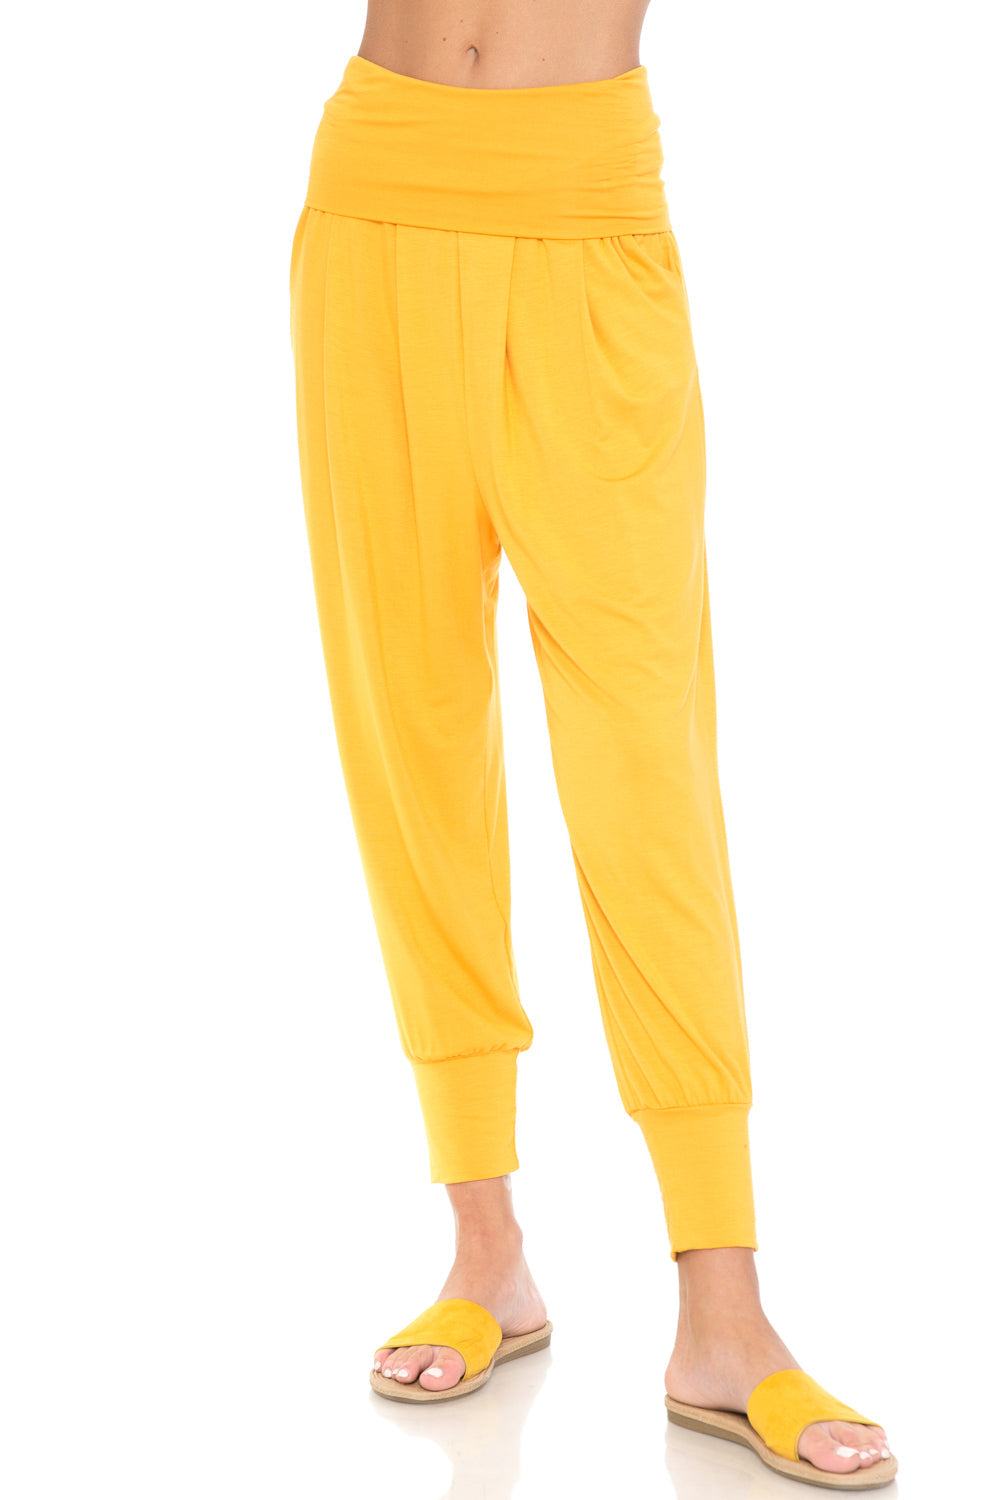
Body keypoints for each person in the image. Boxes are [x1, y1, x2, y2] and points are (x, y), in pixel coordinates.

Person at [288, 2, 897, 1486]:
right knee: (412, 736)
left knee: (646, 772)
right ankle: (484, 1246)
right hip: (376, 185)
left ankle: (723, 1309)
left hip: (583, 204)